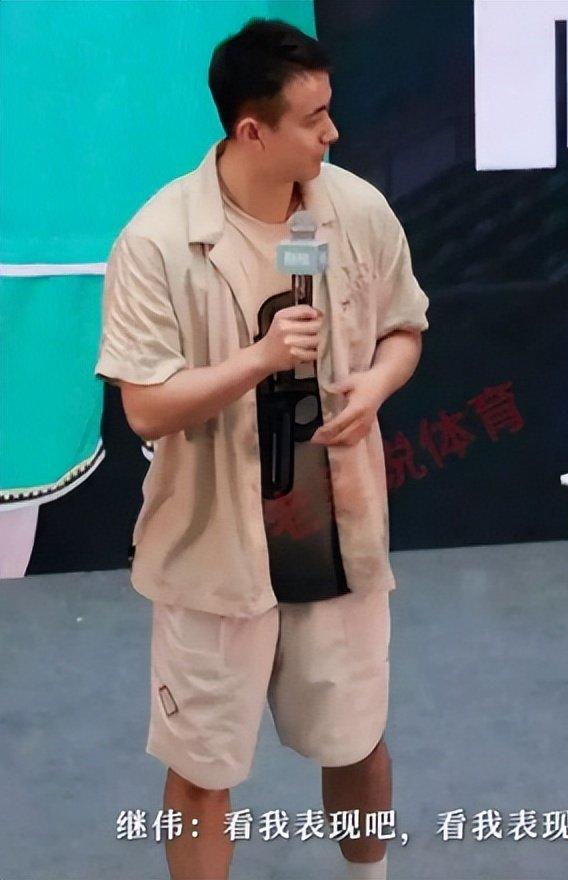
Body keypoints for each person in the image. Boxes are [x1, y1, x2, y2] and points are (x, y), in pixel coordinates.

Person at [94, 18, 429, 880]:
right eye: (314, 119)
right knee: (201, 771)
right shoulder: (157, 241)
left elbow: (405, 329)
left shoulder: (357, 209)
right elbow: (144, 408)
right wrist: (258, 360)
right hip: (213, 552)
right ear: (252, 131)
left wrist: (376, 385)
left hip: (335, 535)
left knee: (357, 741)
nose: (334, 133)